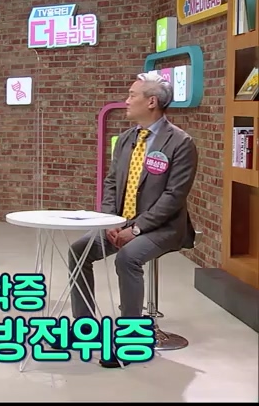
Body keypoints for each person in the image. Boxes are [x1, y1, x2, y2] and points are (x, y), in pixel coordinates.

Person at [65, 72, 198, 368]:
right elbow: (112, 183)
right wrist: (110, 221)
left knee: (127, 258)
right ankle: (84, 327)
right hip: (120, 223)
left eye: (132, 95)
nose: (126, 101)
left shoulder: (181, 143)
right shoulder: (126, 139)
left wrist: (136, 229)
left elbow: (174, 197)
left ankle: (131, 339)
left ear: (151, 102)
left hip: (162, 227)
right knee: (79, 250)